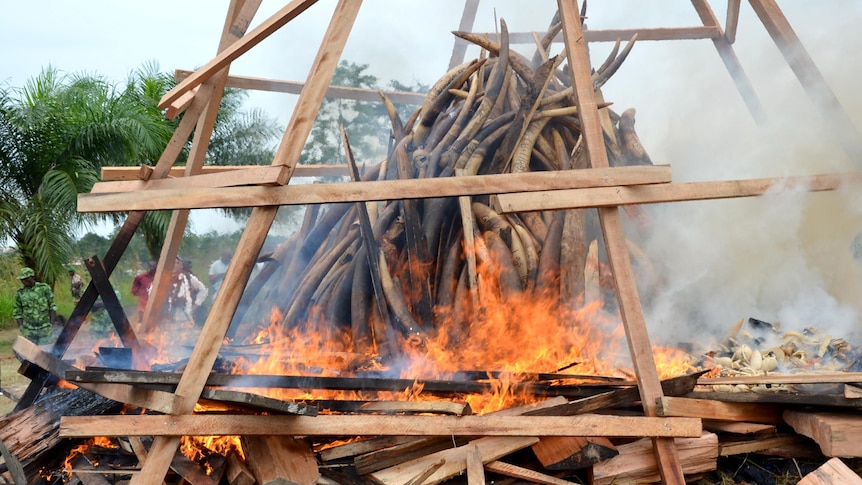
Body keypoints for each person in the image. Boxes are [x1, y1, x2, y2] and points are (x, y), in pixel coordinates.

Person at [13, 267, 57, 346]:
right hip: (29, 330)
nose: (24, 281)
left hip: (45, 328)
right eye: (22, 280)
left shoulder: (44, 288)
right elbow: (17, 312)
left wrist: (51, 324)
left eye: (26, 279)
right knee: (31, 354)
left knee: (47, 352)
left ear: (32, 277)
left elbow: (52, 306)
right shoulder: (20, 293)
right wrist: (22, 328)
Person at [165, 257, 208, 328]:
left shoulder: (188, 278)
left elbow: (203, 290)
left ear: (181, 265)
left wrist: (195, 305)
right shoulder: (162, 281)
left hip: (186, 319)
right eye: (173, 263)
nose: (175, 265)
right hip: (170, 321)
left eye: (177, 263)